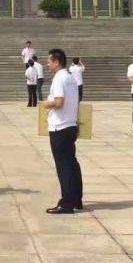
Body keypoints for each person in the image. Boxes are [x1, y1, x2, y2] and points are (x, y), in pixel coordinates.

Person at [44, 48, 83, 214]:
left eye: (49, 61)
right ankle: (76, 199)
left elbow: (59, 102)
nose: (47, 64)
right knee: (72, 164)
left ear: (56, 61)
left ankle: (66, 203)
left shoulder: (59, 78)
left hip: (60, 127)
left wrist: (46, 103)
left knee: (63, 166)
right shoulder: (71, 78)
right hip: (71, 124)